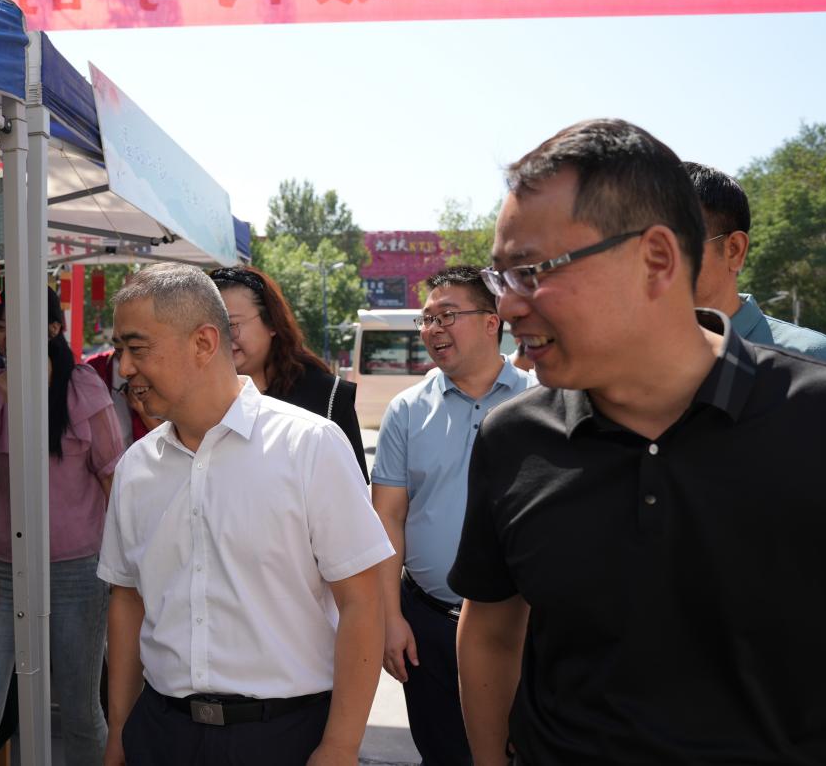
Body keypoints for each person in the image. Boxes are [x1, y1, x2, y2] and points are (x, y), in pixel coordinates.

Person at [451, 118, 826, 765]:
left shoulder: (813, 417)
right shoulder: (512, 439)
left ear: (655, 259)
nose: (507, 307)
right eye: (501, 277)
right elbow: (490, 631)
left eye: (533, 271)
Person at [100, 262, 393, 766]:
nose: (124, 368)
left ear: (203, 342)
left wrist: (341, 745)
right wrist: (120, 732)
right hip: (161, 732)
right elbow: (127, 602)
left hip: (284, 737)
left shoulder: (309, 446)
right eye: (120, 350)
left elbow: (362, 602)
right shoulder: (135, 467)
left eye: (137, 348)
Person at [0, 287, 124, 766]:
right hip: (3, 571)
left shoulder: (83, 386)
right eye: (3, 326)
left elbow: (114, 479)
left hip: (78, 570)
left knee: (81, 711)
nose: (10, 335)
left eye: (24, 324)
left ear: (53, 329)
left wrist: (123, 567)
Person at [371, 265, 535, 766]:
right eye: (426, 319)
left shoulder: (541, 400)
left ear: (492, 321)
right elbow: (387, 517)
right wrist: (391, 618)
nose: (432, 329)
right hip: (429, 624)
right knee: (441, 753)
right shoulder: (406, 410)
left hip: (522, 627)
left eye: (447, 316)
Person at [209, 265, 368, 480]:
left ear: (272, 323)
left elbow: (351, 491)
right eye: (208, 327)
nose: (219, 337)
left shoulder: (328, 397)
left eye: (231, 324)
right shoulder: (194, 400)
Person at [685, 161, 826, 360]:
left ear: (734, 250)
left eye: (678, 244)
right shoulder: (644, 361)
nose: (655, 265)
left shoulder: (810, 357)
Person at [86, 345, 163, 445]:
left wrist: (141, 410)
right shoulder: (95, 367)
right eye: (119, 347)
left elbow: (169, 438)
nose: (123, 371)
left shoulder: (157, 365)